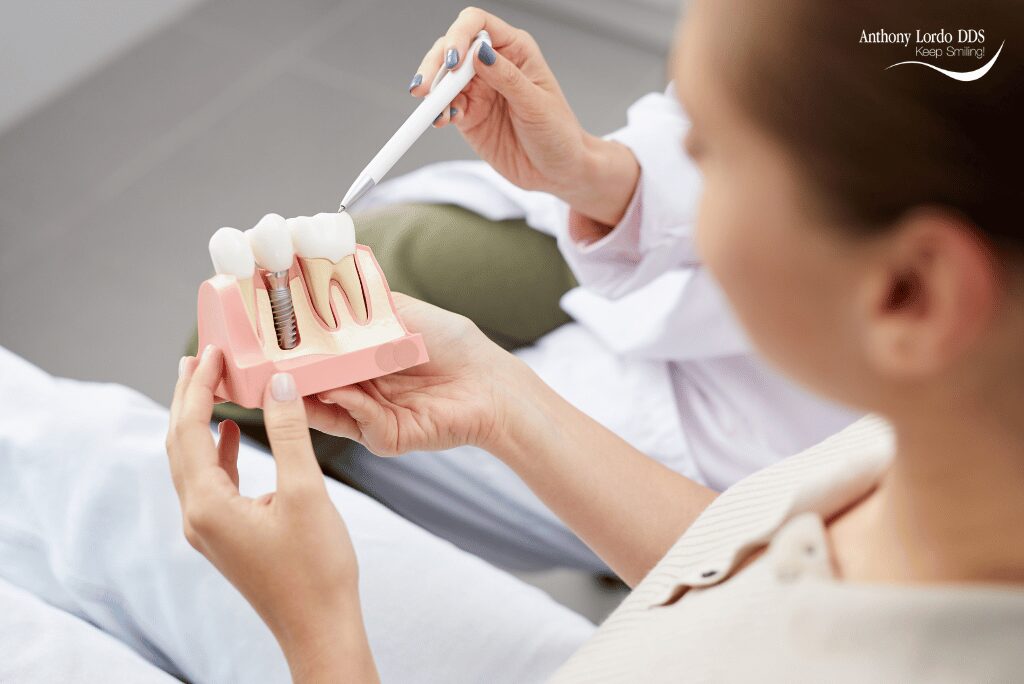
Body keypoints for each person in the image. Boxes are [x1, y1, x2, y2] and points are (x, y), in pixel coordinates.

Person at [166, 0, 1024, 680]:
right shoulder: (922, 467)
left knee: (99, 497)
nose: (683, 176)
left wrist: (321, 635)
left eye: (711, 153)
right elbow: (749, 555)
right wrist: (502, 403)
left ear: (909, 295)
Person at [192, 28, 860, 574]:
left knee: (277, 424)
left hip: (720, 442)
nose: (693, 156)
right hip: (674, 278)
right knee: (378, 258)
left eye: (711, 151)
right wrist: (594, 173)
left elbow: (743, 579)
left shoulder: (845, 539)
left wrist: (505, 408)